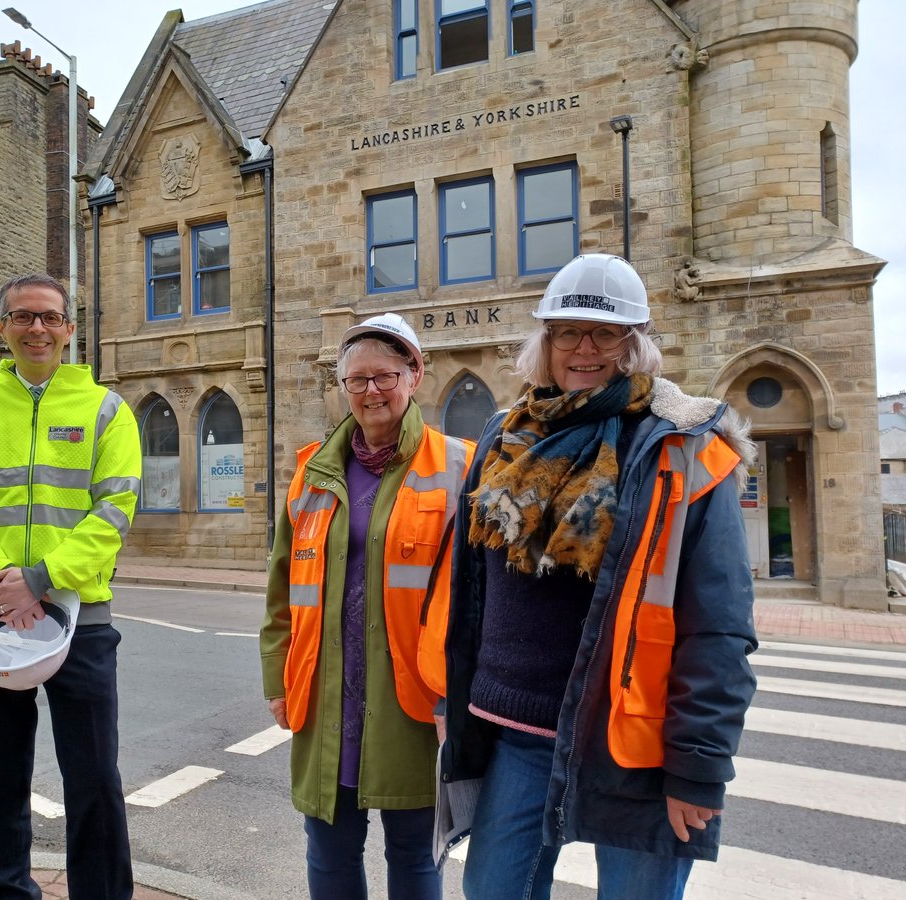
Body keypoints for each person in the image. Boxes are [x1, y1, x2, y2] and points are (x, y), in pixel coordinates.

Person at [441, 253, 758, 899]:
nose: (584, 349)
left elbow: (718, 627)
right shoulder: (507, 434)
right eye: (567, 332)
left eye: (605, 333)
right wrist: (452, 700)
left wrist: (698, 770)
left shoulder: (685, 447)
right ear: (546, 342)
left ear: (633, 344)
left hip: (633, 742)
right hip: (517, 736)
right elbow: (470, 589)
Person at [0, 273, 141, 900]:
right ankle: (8, 892)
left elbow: (115, 511)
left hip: (81, 619)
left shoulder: (106, 410)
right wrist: (4, 583)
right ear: (2, 328)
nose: (37, 328)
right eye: (23, 316)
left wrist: (42, 579)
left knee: (94, 777)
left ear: (69, 329)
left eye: (50, 317)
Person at [260, 313, 474, 899]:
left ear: (415, 376)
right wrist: (277, 679)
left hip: (416, 700)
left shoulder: (461, 465)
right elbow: (282, 587)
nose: (371, 390)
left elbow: (477, 601)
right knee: (328, 851)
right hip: (327, 692)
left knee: (415, 852)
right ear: (343, 387)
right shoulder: (312, 472)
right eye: (357, 379)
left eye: (385, 376)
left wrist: (457, 694)